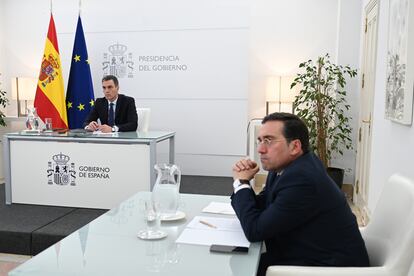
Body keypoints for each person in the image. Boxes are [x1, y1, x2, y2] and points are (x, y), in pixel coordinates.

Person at [231, 112, 369, 276]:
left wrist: (241, 183)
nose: (260, 149)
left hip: (329, 268)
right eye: (259, 140)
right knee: (237, 261)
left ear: (295, 147)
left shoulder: (302, 179)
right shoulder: (289, 166)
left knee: (239, 266)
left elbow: (255, 231)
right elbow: (265, 204)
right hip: (306, 254)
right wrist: (243, 184)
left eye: (268, 140)